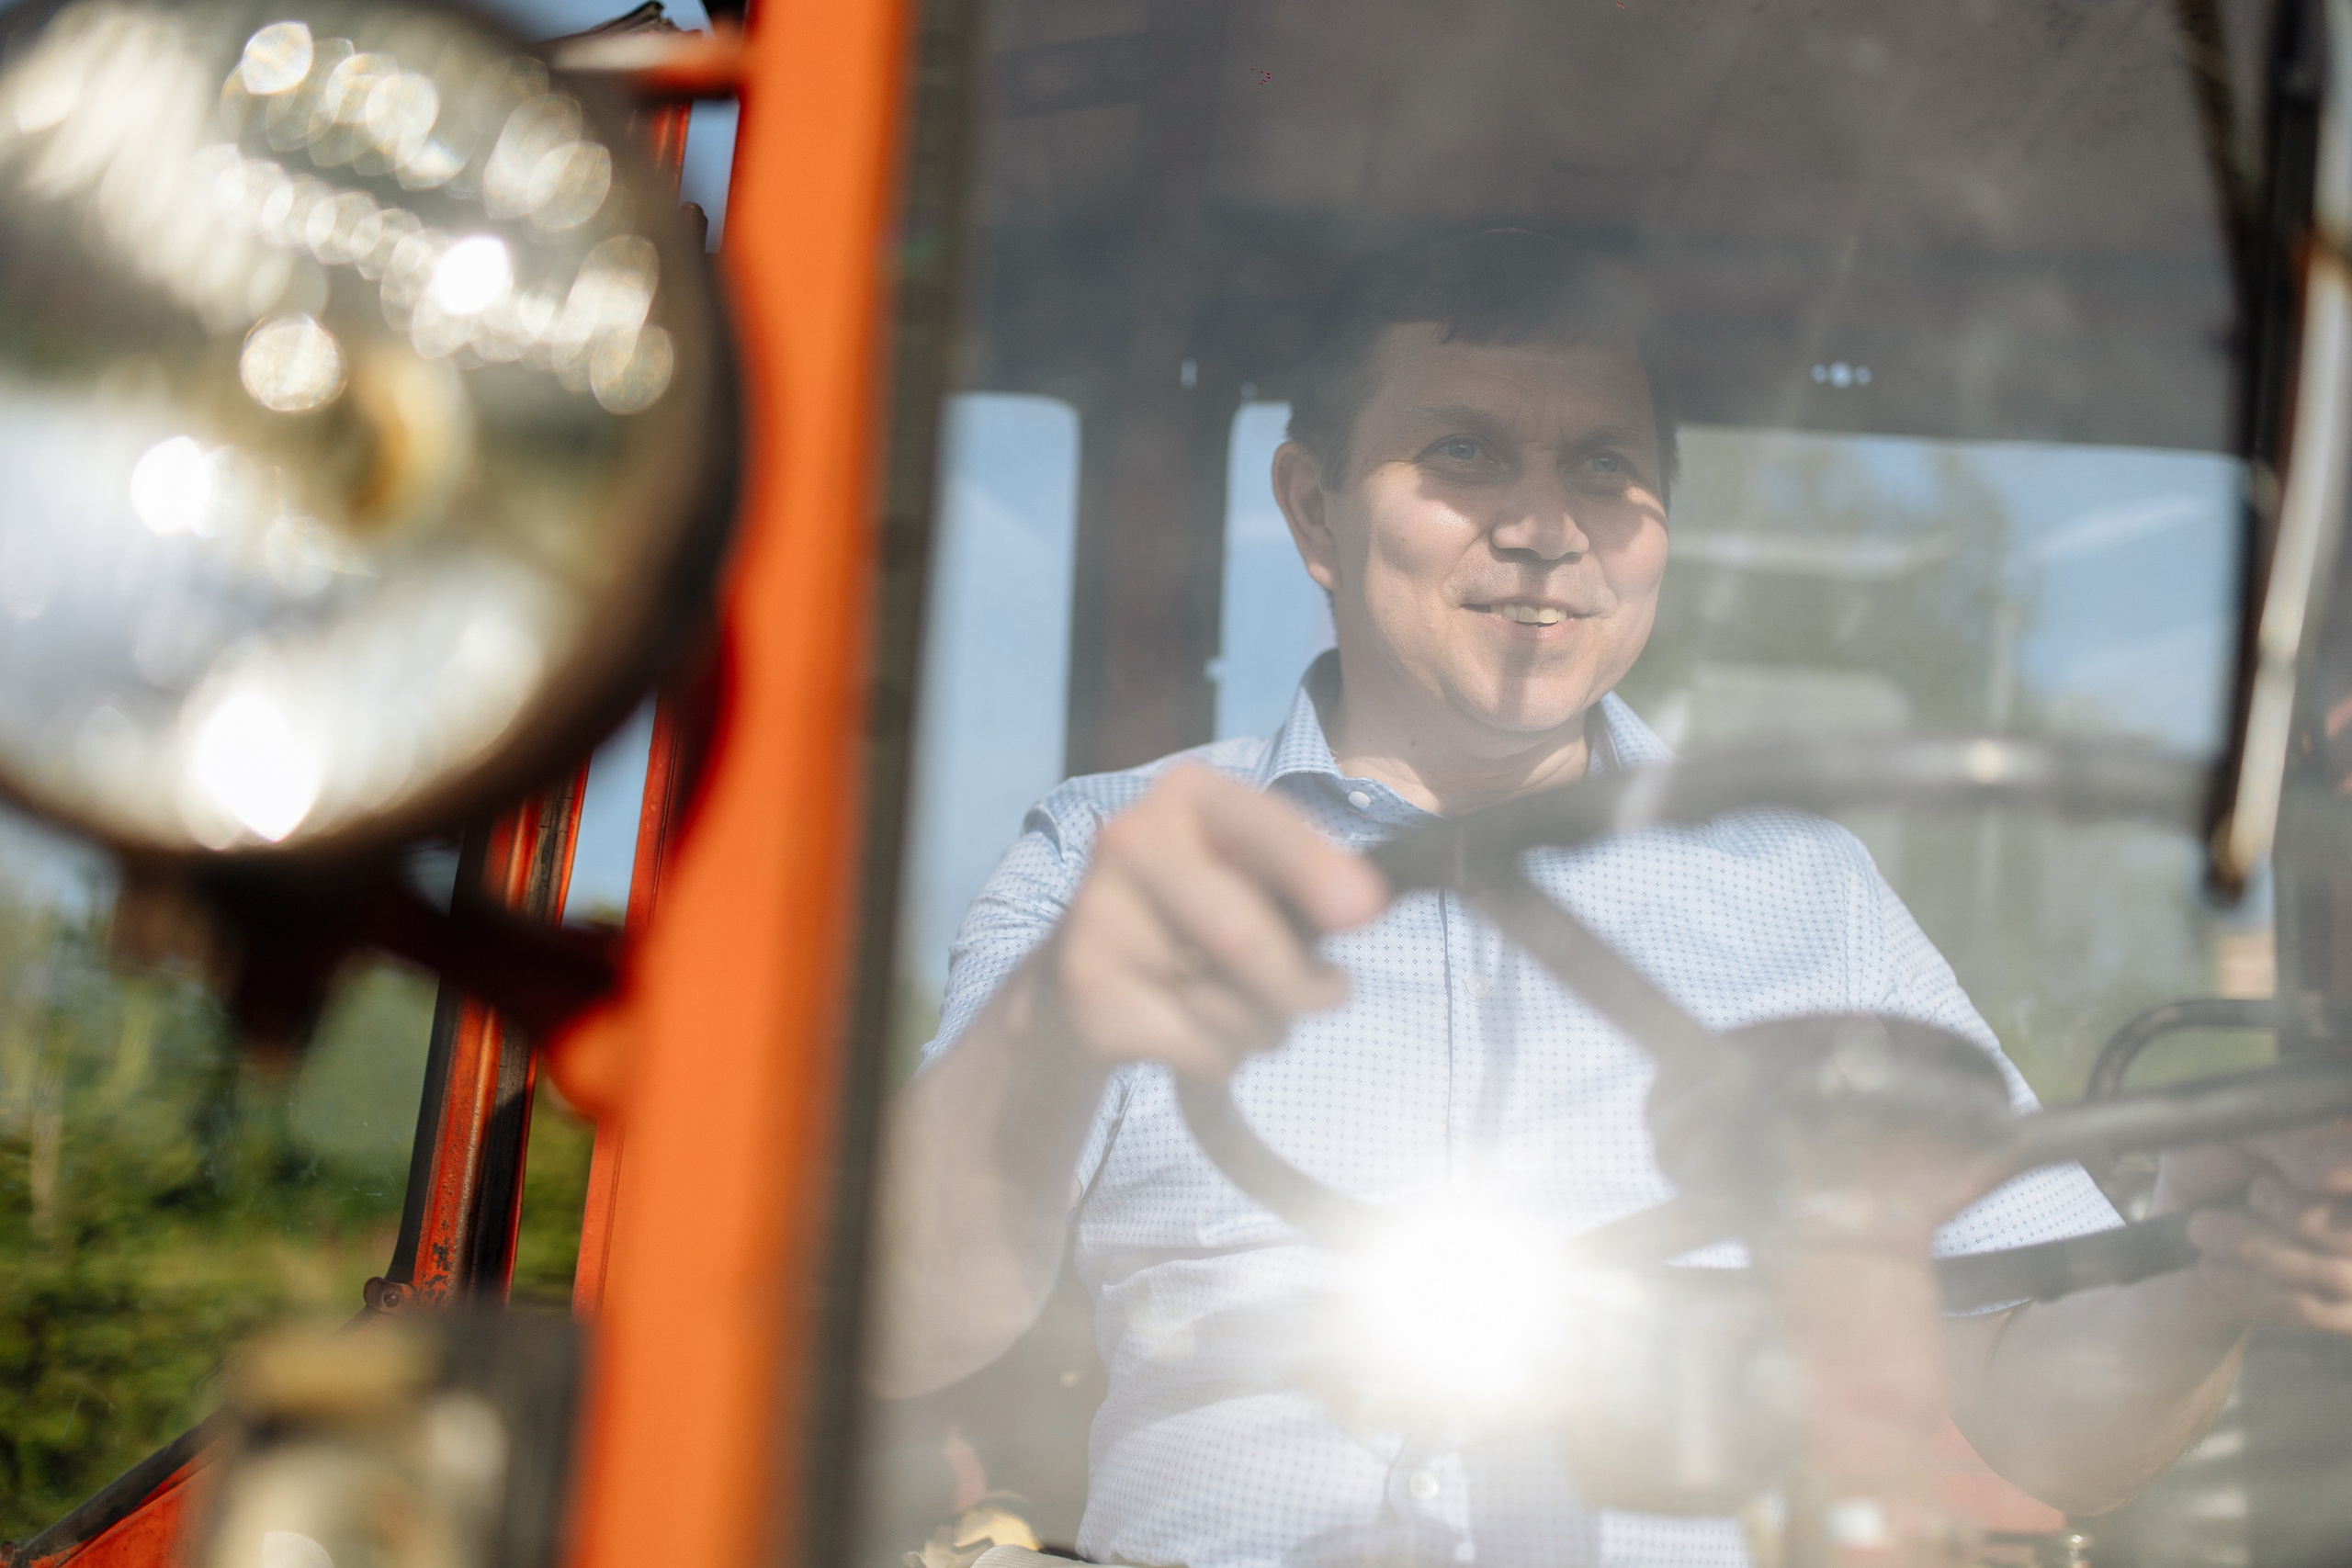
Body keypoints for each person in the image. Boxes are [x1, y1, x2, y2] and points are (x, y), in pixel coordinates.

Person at [873, 230, 2352, 1568]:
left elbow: (2045, 1416)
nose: (1544, 527)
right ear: (1316, 511)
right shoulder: (1114, 860)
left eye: (1603, 470)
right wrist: (1054, 1026)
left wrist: (2201, 1285)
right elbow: (896, 1327)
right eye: (1462, 454)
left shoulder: (1799, 890)